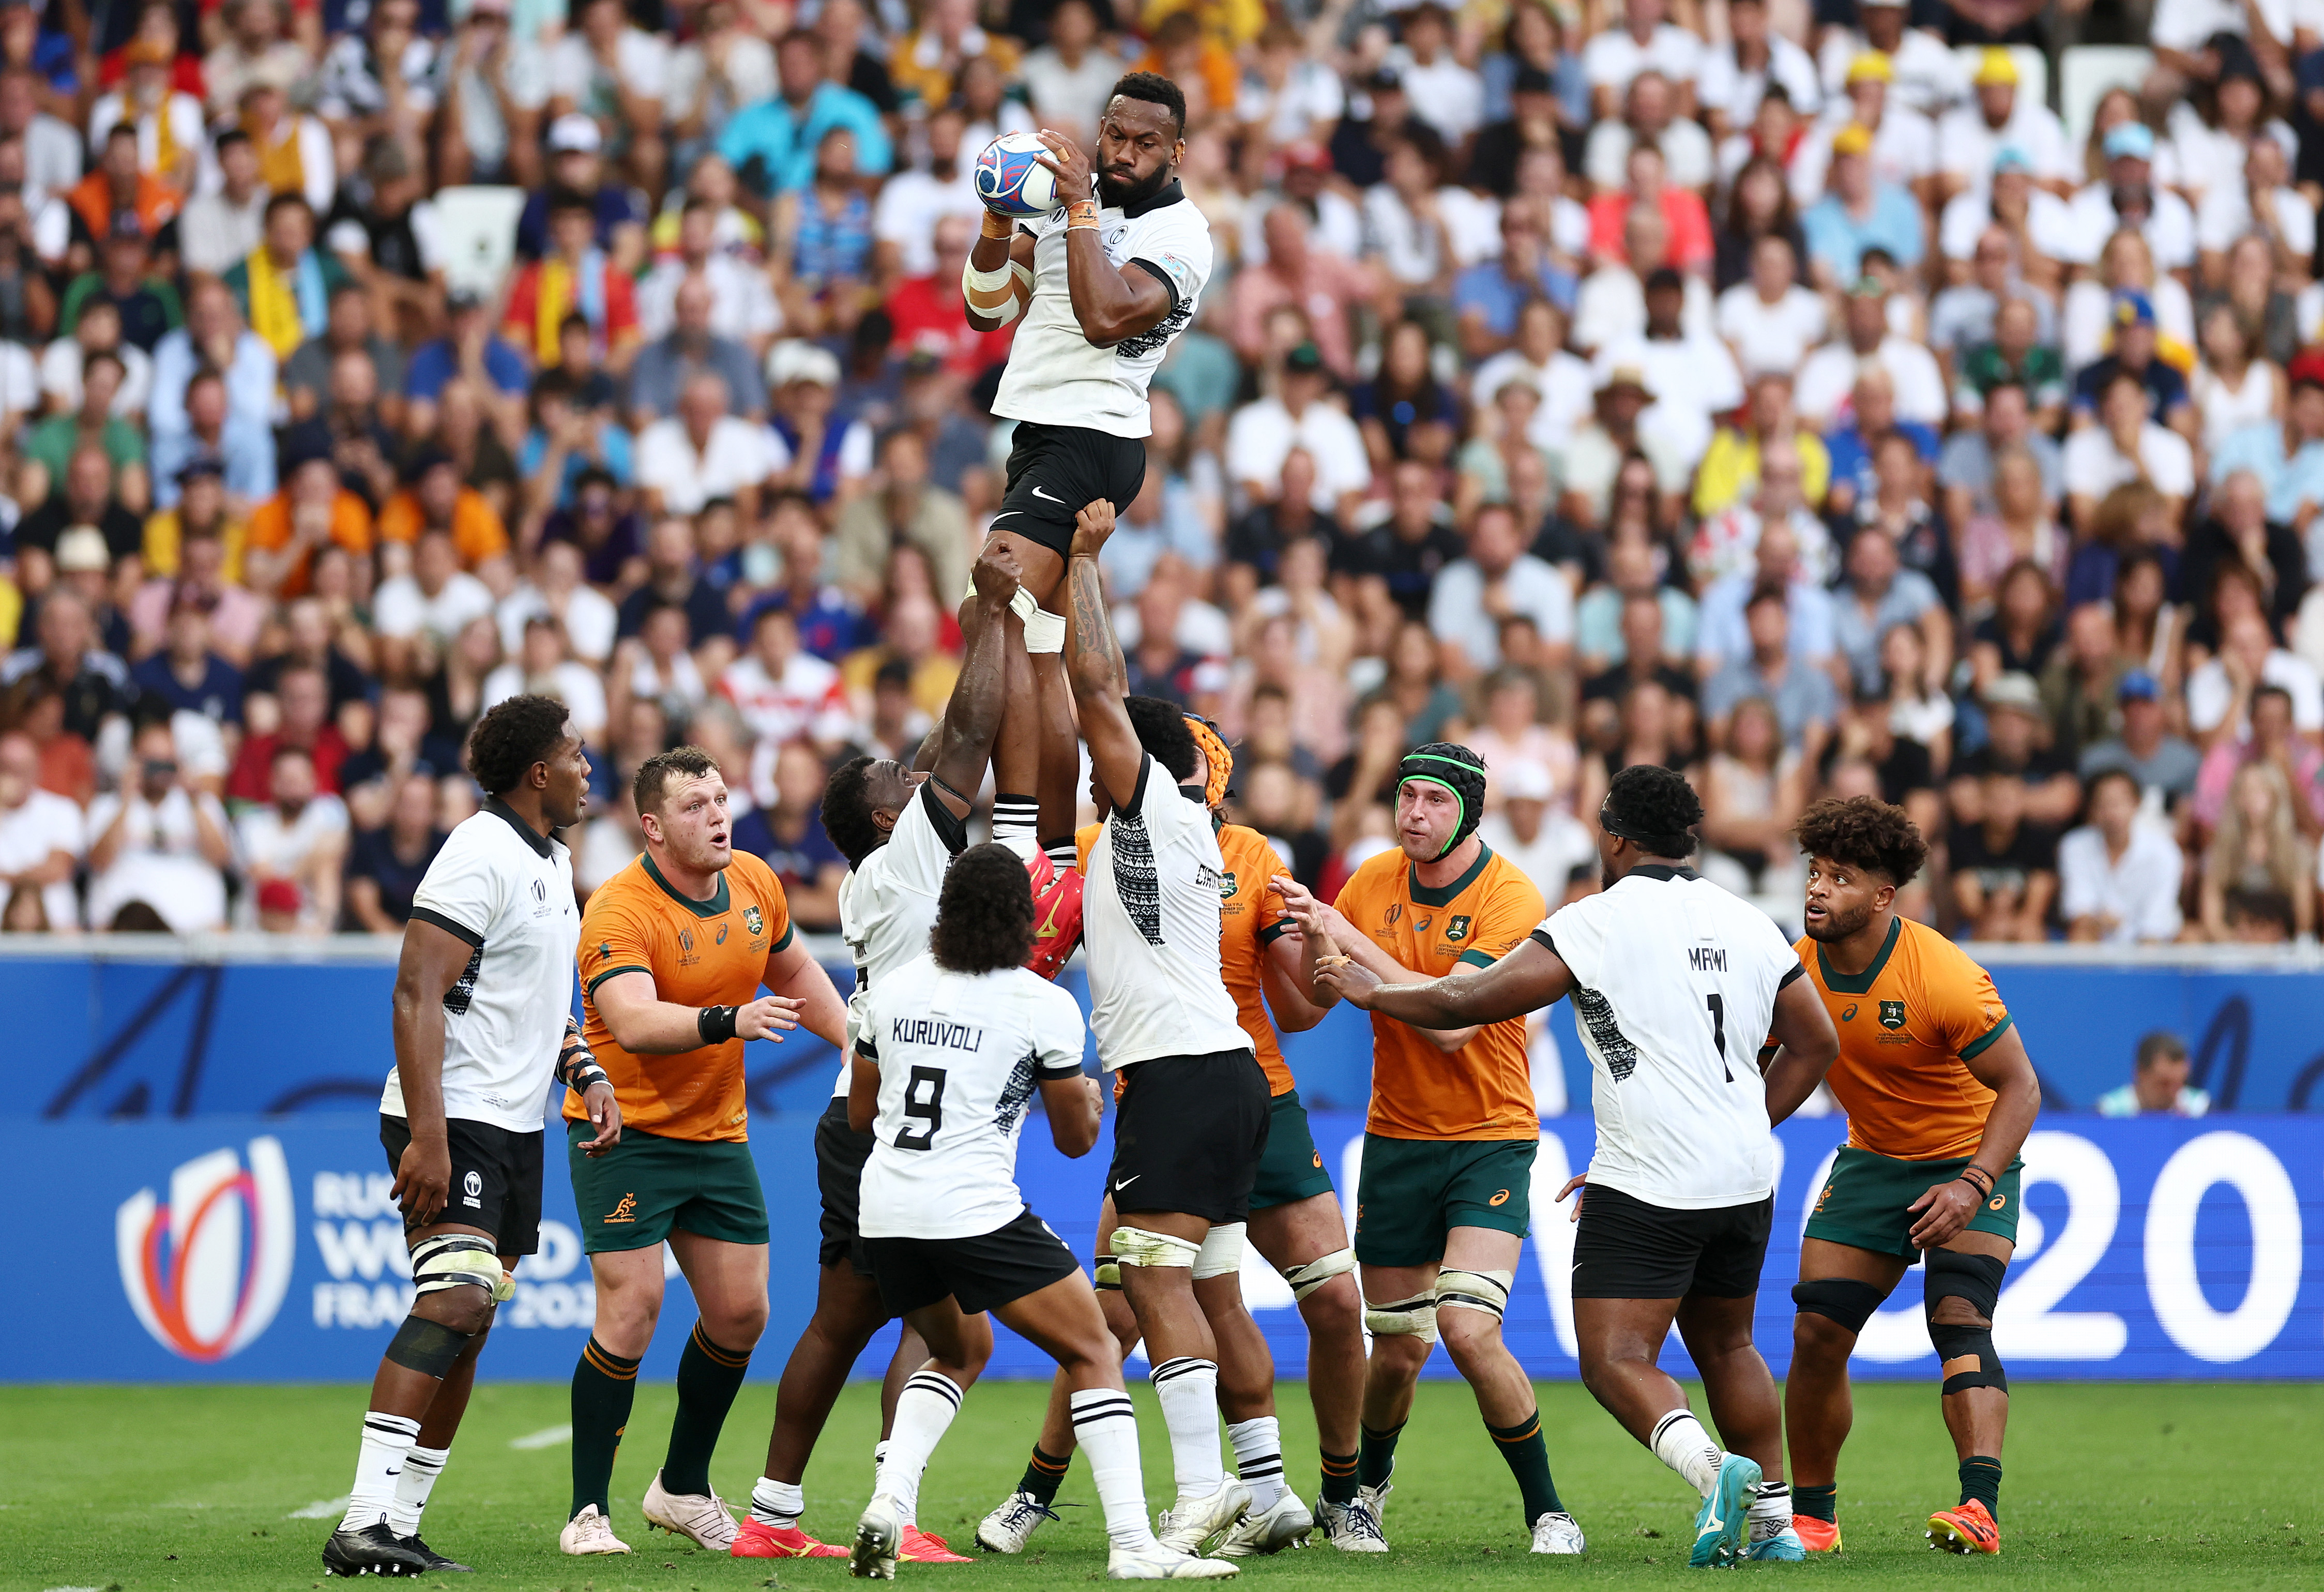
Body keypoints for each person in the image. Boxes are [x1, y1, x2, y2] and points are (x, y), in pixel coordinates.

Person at [1309, 763, 1837, 1564]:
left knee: (1616, 1356)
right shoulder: (1747, 919)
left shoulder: (1594, 919)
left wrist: (1369, 990)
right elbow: (1816, 1043)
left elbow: (1466, 1003)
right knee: (1729, 1344)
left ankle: (1713, 1473)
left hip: (1649, 1175)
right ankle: (1773, 1524)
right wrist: (1741, 1123)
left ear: (1615, 836)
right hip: (1743, 1174)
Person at [736, 541, 1046, 1563]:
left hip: (864, 1105)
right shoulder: (911, 850)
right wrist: (986, 614)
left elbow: (1004, 755)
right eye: (898, 777)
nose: (917, 775)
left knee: (847, 1316)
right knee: (949, 1326)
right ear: (884, 813)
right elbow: (966, 729)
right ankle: (894, 1515)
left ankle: (774, 1519)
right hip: (908, 1112)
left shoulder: (916, 866)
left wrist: (1008, 629)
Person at [980, 718, 1359, 1557]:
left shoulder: (1246, 852)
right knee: (1171, 1301)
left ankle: (1232, 1489)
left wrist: (1325, 960)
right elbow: (1041, 951)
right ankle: (1263, 1489)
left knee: (1157, 1291)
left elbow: (1298, 1005)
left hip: (1214, 1086)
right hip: (1187, 1085)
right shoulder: (1099, 842)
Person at [844, 842, 1236, 1582]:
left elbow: (861, 1112)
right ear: (1026, 919)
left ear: (945, 911)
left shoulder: (891, 989)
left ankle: (889, 1504)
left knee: (959, 1350)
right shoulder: (1042, 1003)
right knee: (1092, 1347)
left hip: (888, 1210)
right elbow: (1074, 1139)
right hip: (971, 1208)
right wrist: (1084, 1098)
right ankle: (1131, 1543)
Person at [323, 695, 619, 1577]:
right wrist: (428, 1132)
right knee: (453, 1299)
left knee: (474, 1317)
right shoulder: (479, 849)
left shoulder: (552, 858)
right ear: (538, 772)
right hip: (454, 1117)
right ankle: (362, 1521)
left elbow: (534, 998)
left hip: (512, 1123)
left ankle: (399, 1524)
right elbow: (417, 988)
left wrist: (585, 1067)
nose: (586, 766)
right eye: (575, 753)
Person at [1277, 740, 1580, 1556]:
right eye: (1406, 796)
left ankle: (1548, 1509)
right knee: (1400, 1347)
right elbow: (1320, 989)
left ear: (1468, 812)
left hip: (1489, 1135)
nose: (1413, 812)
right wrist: (1313, 934)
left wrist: (1351, 942)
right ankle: (1357, 1493)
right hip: (1396, 1140)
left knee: (1467, 1326)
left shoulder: (1512, 896)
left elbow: (1453, 1024)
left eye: (1434, 801)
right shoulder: (1371, 878)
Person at [561, 745, 848, 1556]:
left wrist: (856, 1041)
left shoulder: (755, 879)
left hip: (715, 1132)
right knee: (633, 1306)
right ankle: (587, 1511)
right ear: (652, 826)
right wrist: (732, 1019)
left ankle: (681, 1487)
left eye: (721, 797)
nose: (717, 814)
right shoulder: (618, 909)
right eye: (694, 805)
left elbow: (797, 971)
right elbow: (633, 1021)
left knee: (742, 1311)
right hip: (623, 1129)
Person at [1060, 497, 1268, 1551]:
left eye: (1104, 753)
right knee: (1187, 1279)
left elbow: (1099, 689)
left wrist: (1086, 565)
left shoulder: (1149, 810)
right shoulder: (1177, 827)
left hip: (1181, 1075)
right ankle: (1235, 1483)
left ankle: (1200, 1488)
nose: (1092, 761)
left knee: (1149, 1277)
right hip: (1225, 1077)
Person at [963, 71, 1212, 868]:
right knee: (1035, 649)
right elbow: (988, 308)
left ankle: (1012, 840)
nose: (1124, 154)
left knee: (988, 608)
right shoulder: (1076, 202)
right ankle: (1055, 852)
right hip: (1041, 432)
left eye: (1145, 143)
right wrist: (998, 222)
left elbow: (1105, 318)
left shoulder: (1181, 236)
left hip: (1092, 431)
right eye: (1114, 135)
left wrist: (1072, 211)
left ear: (1176, 152)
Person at [1785, 796, 2044, 1557]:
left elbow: (2020, 1087)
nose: (1817, 889)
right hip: (1872, 1159)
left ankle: (1977, 1505)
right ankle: (1812, 1517)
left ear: (1882, 895)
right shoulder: (1796, 966)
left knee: (1957, 1315)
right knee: (1814, 1330)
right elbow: (1782, 1064)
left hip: (1969, 1155)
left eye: (1839, 876)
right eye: (1813, 870)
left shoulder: (1943, 975)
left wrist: (1971, 1183)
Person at [2097, 1032, 2210, 1117]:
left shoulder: (2201, 1109)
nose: (2172, 1093)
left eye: (2179, 1084)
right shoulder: (2109, 1112)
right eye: (2164, 1084)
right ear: (2140, 1072)